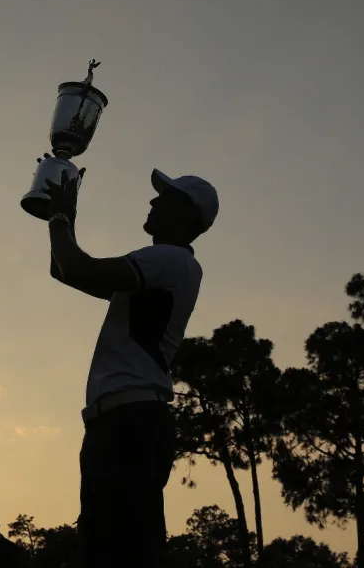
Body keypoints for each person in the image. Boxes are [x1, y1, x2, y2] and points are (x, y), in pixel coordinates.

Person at [42, 158, 219, 567]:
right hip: (124, 419)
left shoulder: (171, 260)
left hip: (130, 419)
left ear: (188, 214)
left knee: (119, 548)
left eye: (166, 198)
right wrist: (59, 216)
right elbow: (63, 269)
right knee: (112, 545)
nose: (154, 202)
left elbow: (73, 266)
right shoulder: (164, 267)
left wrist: (63, 214)